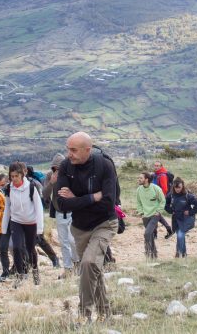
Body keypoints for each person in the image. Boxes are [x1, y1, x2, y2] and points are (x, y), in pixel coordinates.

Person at [55, 132, 119, 323]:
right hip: (79, 228)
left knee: (88, 264)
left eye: (74, 150)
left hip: (104, 224)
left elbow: (108, 203)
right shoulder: (66, 166)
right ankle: (105, 314)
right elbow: (61, 204)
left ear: (87, 150)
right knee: (93, 270)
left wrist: (76, 199)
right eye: (68, 149)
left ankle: (84, 314)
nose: (69, 154)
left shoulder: (104, 165)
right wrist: (92, 197)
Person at [2, 162, 45, 286]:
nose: (14, 179)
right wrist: (4, 227)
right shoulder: (9, 188)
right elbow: (7, 208)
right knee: (16, 247)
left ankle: (35, 271)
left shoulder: (31, 187)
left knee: (30, 249)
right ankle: (20, 275)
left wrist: (40, 228)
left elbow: (39, 207)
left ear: (22, 175)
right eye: (12, 176)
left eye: (16, 176)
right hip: (16, 222)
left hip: (31, 223)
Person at [43, 154, 77, 278]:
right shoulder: (49, 176)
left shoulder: (71, 174)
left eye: (60, 168)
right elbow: (45, 194)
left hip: (73, 212)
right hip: (59, 213)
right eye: (55, 168)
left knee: (73, 241)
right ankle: (68, 269)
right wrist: (52, 183)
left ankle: (77, 263)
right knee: (64, 243)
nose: (57, 170)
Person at [164, 178, 197, 258]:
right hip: (176, 220)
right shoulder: (171, 195)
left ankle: (178, 254)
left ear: (183, 186)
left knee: (180, 235)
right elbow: (165, 204)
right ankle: (184, 255)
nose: (177, 189)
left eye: (179, 187)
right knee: (180, 235)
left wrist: (190, 212)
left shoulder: (188, 196)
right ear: (173, 187)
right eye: (176, 187)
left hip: (186, 219)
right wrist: (171, 211)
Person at [135, 172, 166, 259]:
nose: (139, 179)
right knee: (150, 235)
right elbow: (138, 203)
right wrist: (141, 213)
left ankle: (148, 252)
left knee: (147, 234)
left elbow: (162, 201)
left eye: (141, 178)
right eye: (138, 178)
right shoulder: (139, 190)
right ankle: (153, 255)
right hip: (145, 216)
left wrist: (159, 211)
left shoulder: (156, 188)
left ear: (146, 179)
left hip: (155, 215)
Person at [151, 161, 174, 237]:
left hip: (159, 198)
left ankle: (155, 233)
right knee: (155, 214)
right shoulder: (155, 174)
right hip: (154, 197)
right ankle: (168, 229)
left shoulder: (162, 175)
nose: (156, 167)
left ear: (161, 166)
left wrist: (160, 199)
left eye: (158, 166)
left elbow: (165, 189)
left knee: (154, 214)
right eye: (155, 165)